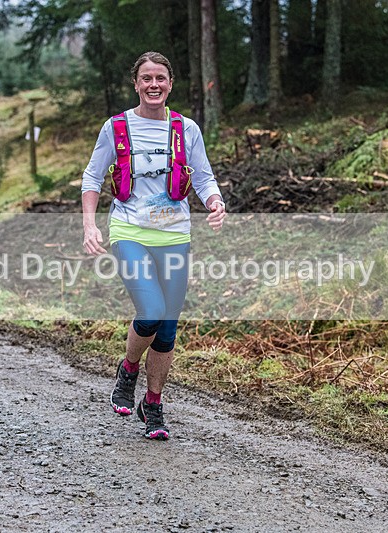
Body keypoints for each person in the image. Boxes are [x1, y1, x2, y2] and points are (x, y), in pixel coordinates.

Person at [81, 51, 226, 440]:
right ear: (136, 84)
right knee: (151, 310)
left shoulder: (186, 129)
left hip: (175, 234)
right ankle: (129, 368)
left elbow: (204, 177)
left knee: (167, 330)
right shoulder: (116, 127)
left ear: (171, 83)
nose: (154, 85)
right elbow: (92, 178)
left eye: (160, 78)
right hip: (129, 230)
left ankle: (154, 404)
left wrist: (215, 201)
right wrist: (89, 225)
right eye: (146, 78)